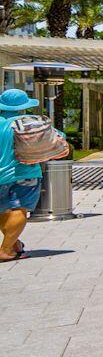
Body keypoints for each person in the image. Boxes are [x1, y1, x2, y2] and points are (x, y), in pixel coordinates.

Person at [0, 88, 44, 262]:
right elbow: (58, 139)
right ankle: (5, 249)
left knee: (3, 209)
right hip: (25, 173)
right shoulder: (29, 122)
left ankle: (15, 244)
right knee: (19, 209)